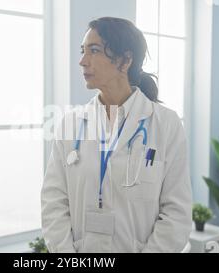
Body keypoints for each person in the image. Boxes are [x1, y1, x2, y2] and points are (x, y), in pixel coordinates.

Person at [41, 17, 192, 253]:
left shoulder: (166, 124)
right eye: (83, 51)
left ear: (125, 60)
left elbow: (176, 213)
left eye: (94, 50)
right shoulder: (70, 124)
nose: (82, 61)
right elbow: (53, 203)